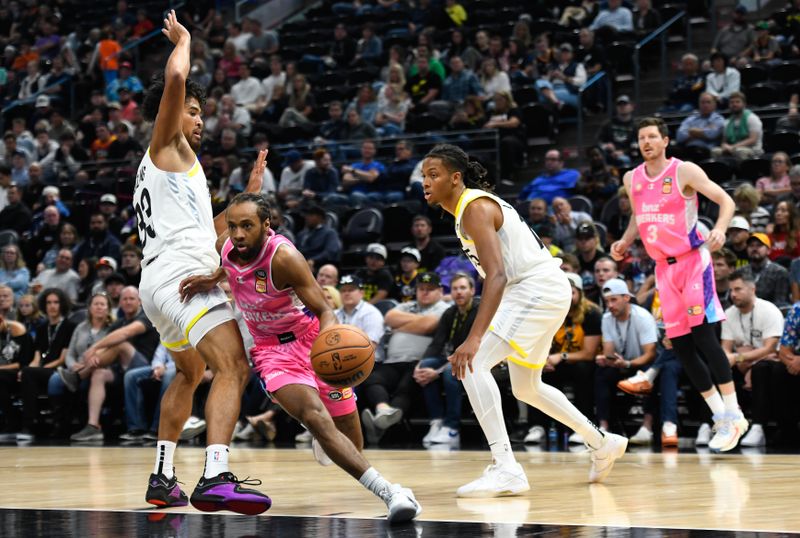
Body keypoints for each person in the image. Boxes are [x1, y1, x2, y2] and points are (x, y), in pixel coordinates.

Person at [180, 193, 421, 522]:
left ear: (266, 226)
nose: (237, 234)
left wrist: (327, 342)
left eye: (246, 226)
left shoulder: (284, 258)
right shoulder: (227, 245)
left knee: (352, 439)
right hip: (271, 353)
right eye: (233, 226)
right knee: (315, 417)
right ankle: (392, 493)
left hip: (311, 340)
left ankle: (328, 438)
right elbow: (230, 268)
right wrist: (212, 278)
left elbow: (325, 309)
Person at [422, 144, 627, 497]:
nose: (425, 182)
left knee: (471, 364)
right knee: (526, 387)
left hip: (533, 289)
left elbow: (497, 276)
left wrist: (473, 338)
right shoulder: (467, 209)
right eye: (423, 176)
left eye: (434, 175)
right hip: (540, 289)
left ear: (455, 178)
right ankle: (602, 441)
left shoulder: (474, 207)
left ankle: (506, 468)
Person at [133, 11, 270, 514]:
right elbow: (174, 75)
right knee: (231, 365)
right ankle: (215, 474)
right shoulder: (166, 145)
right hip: (181, 277)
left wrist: (246, 198)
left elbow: (208, 235)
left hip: (157, 282)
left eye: (199, 112)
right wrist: (185, 39)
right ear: (171, 116)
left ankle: (163, 477)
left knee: (189, 375)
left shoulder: (171, 173)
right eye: (192, 111)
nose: (199, 119)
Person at [610, 117, 748, 452]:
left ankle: (735, 412)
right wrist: (626, 240)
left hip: (691, 260)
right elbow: (638, 216)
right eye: (642, 137)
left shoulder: (683, 171)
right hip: (663, 269)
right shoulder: (632, 178)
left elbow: (725, 200)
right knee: (681, 348)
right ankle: (721, 418)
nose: (646, 142)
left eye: (653, 137)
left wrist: (720, 229)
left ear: (665, 140)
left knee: (703, 338)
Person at [720, 270, 784, 447]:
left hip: (770, 363)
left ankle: (758, 428)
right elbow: (725, 348)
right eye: (731, 290)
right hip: (744, 362)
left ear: (752, 289)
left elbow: (770, 348)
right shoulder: (729, 313)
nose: (733, 294)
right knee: (717, 367)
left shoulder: (769, 310)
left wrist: (740, 357)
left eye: (738, 289)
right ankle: (714, 424)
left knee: (761, 369)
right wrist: (737, 359)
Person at [415, 272, 478, 444]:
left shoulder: (479, 310)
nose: (459, 292)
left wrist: (437, 371)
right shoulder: (450, 312)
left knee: (450, 371)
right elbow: (437, 343)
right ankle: (436, 422)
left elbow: (472, 350)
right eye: (455, 288)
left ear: (472, 291)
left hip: (477, 359)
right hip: (454, 358)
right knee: (427, 365)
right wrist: (420, 365)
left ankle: (452, 428)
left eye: (463, 288)